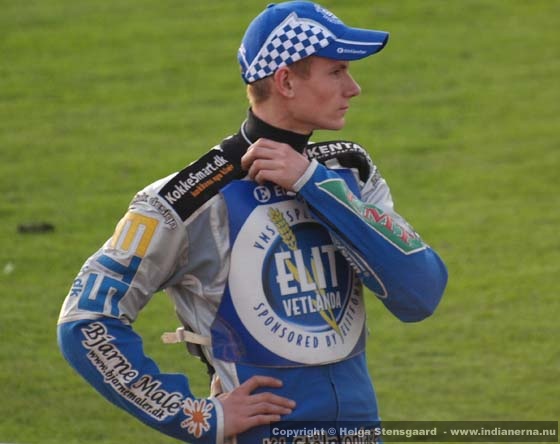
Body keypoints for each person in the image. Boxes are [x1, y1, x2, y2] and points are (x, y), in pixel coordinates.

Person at [57, 1, 448, 443]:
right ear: (285, 81)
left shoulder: (347, 171)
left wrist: (313, 184)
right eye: (337, 72)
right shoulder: (183, 201)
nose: (353, 88)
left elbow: (420, 294)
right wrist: (196, 417)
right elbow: (85, 321)